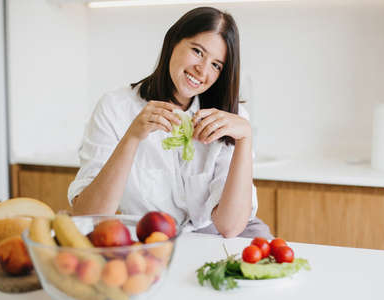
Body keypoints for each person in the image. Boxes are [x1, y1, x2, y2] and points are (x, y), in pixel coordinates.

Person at [68, 6, 272, 239]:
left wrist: (245, 138)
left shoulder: (230, 119)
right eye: (197, 51)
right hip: (152, 236)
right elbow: (88, 215)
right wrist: (132, 137)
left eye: (216, 65)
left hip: (219, 235)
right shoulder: (115, 108)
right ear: (173, 42)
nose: (203, 70)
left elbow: (230, 227)